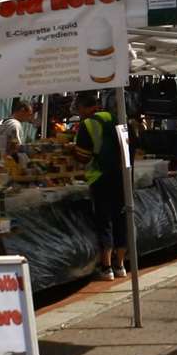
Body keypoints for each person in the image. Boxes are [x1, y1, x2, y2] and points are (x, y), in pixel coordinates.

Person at [73, 92, 126, 280]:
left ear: (84, 108)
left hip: (100, 178)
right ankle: (120, 266)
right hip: (122, 176)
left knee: (104, 221)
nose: (79, 114)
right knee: (121, 219)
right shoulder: (116, 118)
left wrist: (73, 153)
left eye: (79, 109)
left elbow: (83, 156)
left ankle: (106, 268)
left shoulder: (87, 124)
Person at [0, 98, 35, 163]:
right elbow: (15, 144)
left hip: (5, 160)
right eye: (29, 114)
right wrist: (30, 150)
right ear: (22, 110)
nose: (29, 118)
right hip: (13, 162)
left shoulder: (6, 122)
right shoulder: (14, 124)